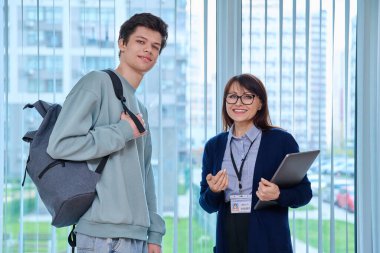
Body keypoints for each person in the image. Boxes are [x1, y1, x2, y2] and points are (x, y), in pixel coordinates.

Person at [47, 13, 168, 253]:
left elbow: (145, 174)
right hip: (100, 236)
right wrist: (122, 131)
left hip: (135, 236)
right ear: (122, 43)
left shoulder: (140, 108)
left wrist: (154, 233)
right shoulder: (96, 83)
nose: (149, 50)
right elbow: (60, 144)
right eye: (141, 42)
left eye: (155, 46)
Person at [199, 74, 312, 253]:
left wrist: (278, 194)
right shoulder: (214, 146)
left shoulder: (281, 141)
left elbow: (304, 193)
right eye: (232, 96)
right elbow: (206, 205)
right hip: (228, 240)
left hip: (269, 241)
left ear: (260, 103)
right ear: (225, 102)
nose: (238, 102)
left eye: (247, 96)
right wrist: (213, 191)